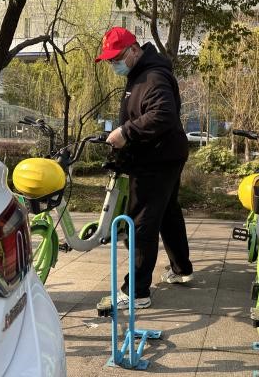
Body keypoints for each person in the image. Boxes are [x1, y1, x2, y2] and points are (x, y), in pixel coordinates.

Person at [96, 27, 193, 308]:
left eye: (117, 58)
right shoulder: (141, 73)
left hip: (157, 159)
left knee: (141, 221)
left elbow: (163, 114)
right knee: (168, 213)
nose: (114, 64)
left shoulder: (153, 76)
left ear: (135, 50)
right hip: (166, 154)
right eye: (110, 60)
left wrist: (126, 132)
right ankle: (181, 268)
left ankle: (137, 292)